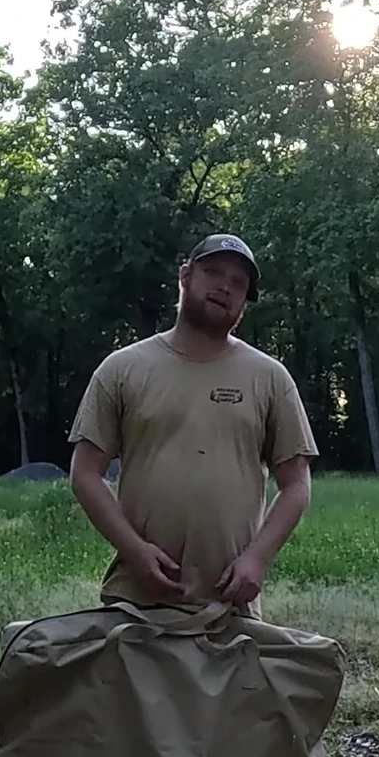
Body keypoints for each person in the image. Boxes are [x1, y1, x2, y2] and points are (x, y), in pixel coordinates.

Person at [68, 233, 318, 613]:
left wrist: (256, 559)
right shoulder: (123, 369)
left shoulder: (270, 378)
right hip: (137, 598)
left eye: (239, 284)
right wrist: (134, 550)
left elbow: (296, 484)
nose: (225, 287)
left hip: (230, 603)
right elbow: (85, 473)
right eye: (213, 272)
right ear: (185, 276)